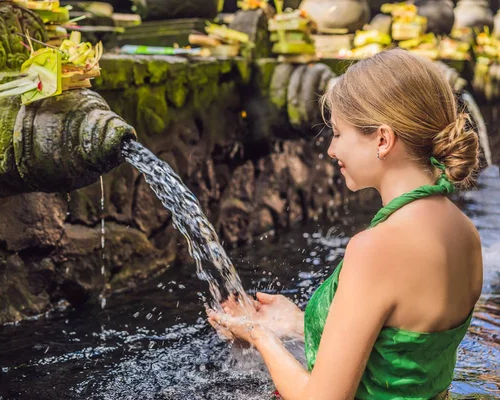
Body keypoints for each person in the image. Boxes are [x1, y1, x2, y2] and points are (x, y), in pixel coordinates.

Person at [207, 48, 483, 400]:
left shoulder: (376, 249)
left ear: (383, 140)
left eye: (337, 133)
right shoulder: (465, 232)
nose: (331, 150)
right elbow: (399, 350)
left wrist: (258, 335)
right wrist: (296, 322)